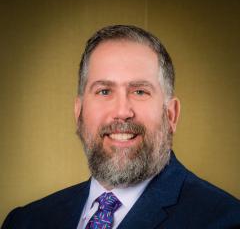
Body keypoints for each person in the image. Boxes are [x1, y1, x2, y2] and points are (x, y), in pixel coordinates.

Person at [2, 25, 240, 229]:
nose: (122, 112)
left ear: (171, 115)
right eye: (104, 91)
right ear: (79, 112)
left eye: (139, 91)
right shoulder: (25, 221)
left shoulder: (226, 221)